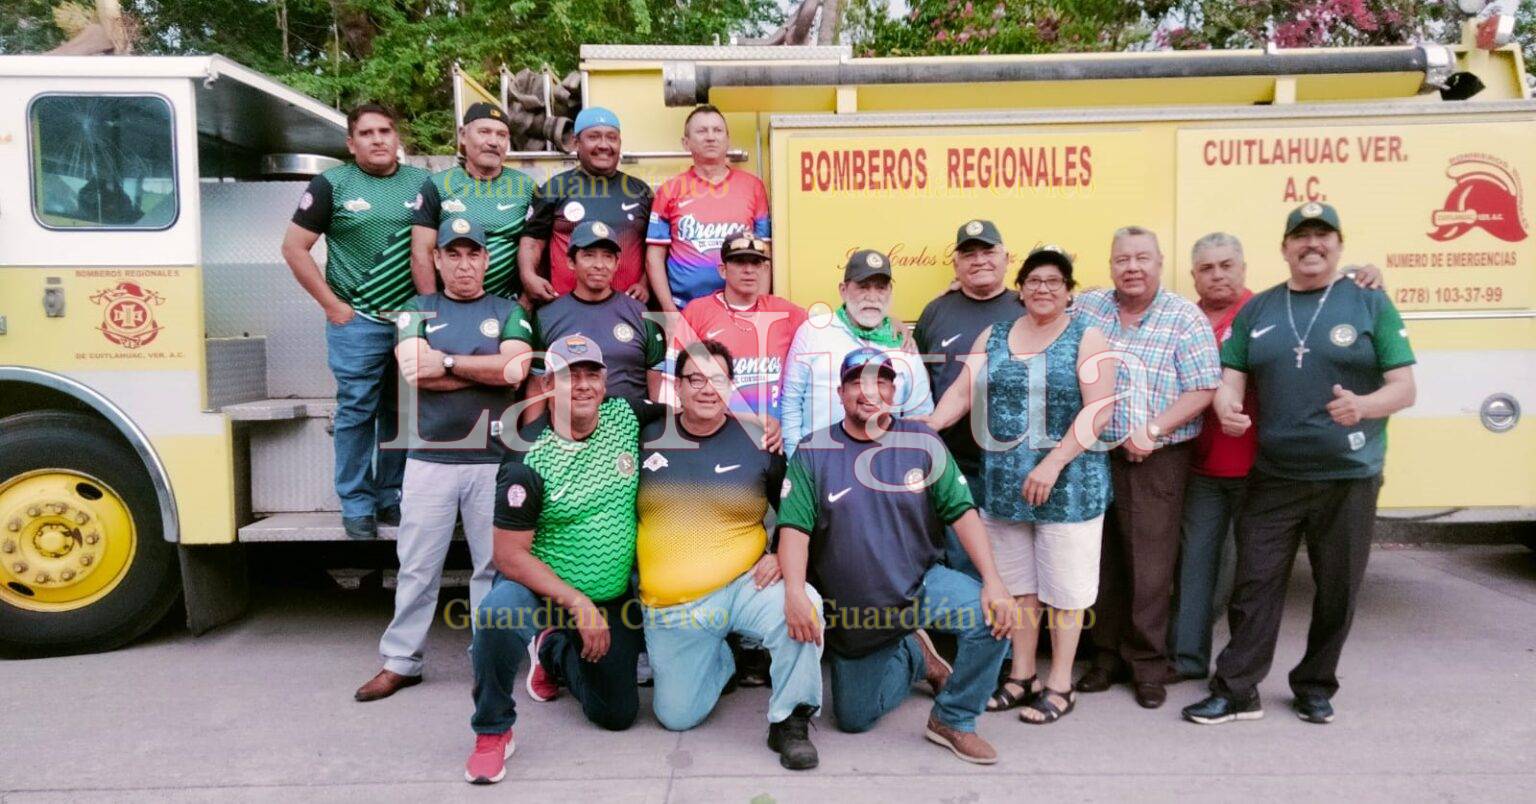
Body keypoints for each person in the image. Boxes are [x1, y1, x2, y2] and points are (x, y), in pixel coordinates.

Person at [1184, 202, 1416, 727]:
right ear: (1285, 248)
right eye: (1301, 237)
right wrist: (1228, 407)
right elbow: (1232, 375)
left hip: (1348, 475)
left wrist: (1364, 405)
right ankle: (1238, 689)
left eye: (1322, 236)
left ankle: (1314, 684)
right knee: (1254, 585)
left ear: (1338, 243)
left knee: (1337, 589)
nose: (1312, 245)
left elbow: (1404, 388)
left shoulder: (1370, 303)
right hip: (1275, 475)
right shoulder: (1259, 310)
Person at [777, 348, 1014, 764]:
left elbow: (962, 512)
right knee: (853, 719)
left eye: (880, 381)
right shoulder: (814, 451)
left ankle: (953, 719)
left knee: (991, 615)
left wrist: (993, 581)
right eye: (857, 382)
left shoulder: (923, 441)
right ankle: (914, 656)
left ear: (894, 390)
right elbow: (794, 530)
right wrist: (794, 592)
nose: (869, 392)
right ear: (840, 392)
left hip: (921, 585)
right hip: (857, 610)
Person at [923, 246, 1114, 724]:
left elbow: (1100, 410)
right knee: (1019, 588)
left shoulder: (1087, 338)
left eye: (1054, 282)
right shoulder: (996, 334)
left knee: (1066, 592)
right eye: (1034, 281)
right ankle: (1022, 675)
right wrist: (923, 429)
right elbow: (963, 392)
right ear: (1021, 288)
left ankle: (1060, 683)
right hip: (1005, 487)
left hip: (1068, 487)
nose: (1043, 289)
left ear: (1069, 291)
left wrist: (1052, 464)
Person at [465, 335, 663, 784]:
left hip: (609, 595)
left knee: (617, 715)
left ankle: (554, 653)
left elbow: (697, 414)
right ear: (548, 383)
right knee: (495, 616)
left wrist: (757, 423)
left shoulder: (626, 414)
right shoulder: (526, 458)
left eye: (592, 373)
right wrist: (574, 602)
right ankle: (493, 730)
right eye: (570, 374)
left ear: (605, 379)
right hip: (543, 591)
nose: (583, 384)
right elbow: (508, 556)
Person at [355, 218, 533, 703]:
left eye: (472, 254)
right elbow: (415, 371)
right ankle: (401, 662)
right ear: (436, 259)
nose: (464, 264)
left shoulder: (508, 309)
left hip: (493, 460)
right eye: (453, 254)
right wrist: (486, 371)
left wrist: (450, 362)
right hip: (430, 459)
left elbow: (517, 369)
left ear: (486, 259)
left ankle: (488, 657)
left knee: (491, 568)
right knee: (416, 567)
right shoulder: (417, 308)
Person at [636, 339, 822, 770]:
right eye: (694, 379)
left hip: (745, 585)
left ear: (731, 386)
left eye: (717, 380)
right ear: (676, 388)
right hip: (673, 605)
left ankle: (790, 721)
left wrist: (779, 553)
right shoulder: (645, 435)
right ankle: (723, 661)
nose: (705, 389)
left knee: (803, 605)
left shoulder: (760, 440)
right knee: (676, 716)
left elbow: (796, 511)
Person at [1071, 226, 1221, 710]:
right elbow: (1039, 301)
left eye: (1142, 258)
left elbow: (1202, 388)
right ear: (1110, 265)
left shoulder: (1184, 317)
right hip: (1096, 453)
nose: (1132, 268)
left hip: (1155, 457)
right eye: (1122, 259)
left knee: (1150, 566)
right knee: (1103, 560)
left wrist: (1152, 431)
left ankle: (1146, 665)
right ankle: (1105, 657)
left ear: (1159, 262)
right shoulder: (1091, 307)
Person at [282, 103, 430, 540]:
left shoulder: (422, 184)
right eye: (367, 133)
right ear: (351, 143)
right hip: (357, 319)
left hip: (408, 321)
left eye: (386, 130)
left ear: (398, 137)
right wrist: (332, 306)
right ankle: (357, 504)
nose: (378, 139)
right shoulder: (332, 184)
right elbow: (294, 248)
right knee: (356, 412)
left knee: (400, 412)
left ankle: (391, 497)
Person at [913, 219, 1024, 575]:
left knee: (1015, 567)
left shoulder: (1028, 307)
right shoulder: (936, 311)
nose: (979, 261)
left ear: (1006, 257)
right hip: (955, 465)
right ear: (956, 265)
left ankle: (1014, 632)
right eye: (969, 254)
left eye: (988, 252)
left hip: (1017, 466)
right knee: (963, 563)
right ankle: (974, 631)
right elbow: (920, 380)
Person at [780, 249, 934, 456]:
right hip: (818, 465)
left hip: (882, 469)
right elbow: (790, 402)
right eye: (863, 287)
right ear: (843, 290)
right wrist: (795, 462)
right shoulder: (813, 331)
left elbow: (920, 415)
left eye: (880, 288)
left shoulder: (903, 343)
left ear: (890, 292)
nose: (872, 297)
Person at [645, 104, 772, 314]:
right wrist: (669, 312)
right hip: (684, 309)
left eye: (717, 130)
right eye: (702, 131)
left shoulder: (753, 187)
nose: (711, 137)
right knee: (694, 350)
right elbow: (654, 258)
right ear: (686, 143)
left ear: (727, 140)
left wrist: (758, 308)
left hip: (739, 310)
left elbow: (764, 256)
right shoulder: (670, 189)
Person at [519, 107, 652, 304]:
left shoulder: (641, 192)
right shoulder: (554, 188)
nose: (604, 145)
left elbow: (656, 250)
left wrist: (645, 284)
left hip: (628, 309)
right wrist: (529, 277)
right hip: (565, 309)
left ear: (620, 143)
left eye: (611, 138)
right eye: (594, 137)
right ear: (576, 142)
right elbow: (532, 241)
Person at [529, 220, 665, 405]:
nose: (599, 265)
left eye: (608, 256)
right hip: (568, 426)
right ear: (571, 261)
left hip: (630, 426)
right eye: (589, 255)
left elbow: (658, 386)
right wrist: (531, 431)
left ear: (617, 263)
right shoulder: (547, 316)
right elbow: (538, 385)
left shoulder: (641, 313)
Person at [672, 234, 807, 421]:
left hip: (774, 436)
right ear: (723, 270)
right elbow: (670, 378)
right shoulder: (697, 311)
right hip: (717, 432)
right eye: (739, 262)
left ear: (765, 269)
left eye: (756, 263)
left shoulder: (787, 313)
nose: (749, 270)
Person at [409, 102, 535, 300]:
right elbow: (421, 253)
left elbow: (537, 249)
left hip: (508, 306)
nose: (493, 142)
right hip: (452, 306)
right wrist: (433, 309)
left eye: (501, 135)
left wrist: (525, 305)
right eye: (484, 132)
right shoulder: (437, 186)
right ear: (463, 135)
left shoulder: (526, 187)